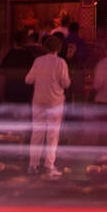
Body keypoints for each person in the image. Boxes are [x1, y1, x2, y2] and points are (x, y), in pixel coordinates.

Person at [25, 34, 70, 176]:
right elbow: (65, 83)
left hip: (38, 101)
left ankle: (32, 165)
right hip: (55, 102)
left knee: (37, 133)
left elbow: (28, 79)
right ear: (58, 48)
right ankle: (49, 165)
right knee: (52, 135)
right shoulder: (61, 63)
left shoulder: (38, 61)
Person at [1, 30, 37, 106]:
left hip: (11, 89)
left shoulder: (10, 54)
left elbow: (2, 73)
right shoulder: (29, 55)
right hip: (25, 89)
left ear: (15, 42)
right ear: (26, 42)